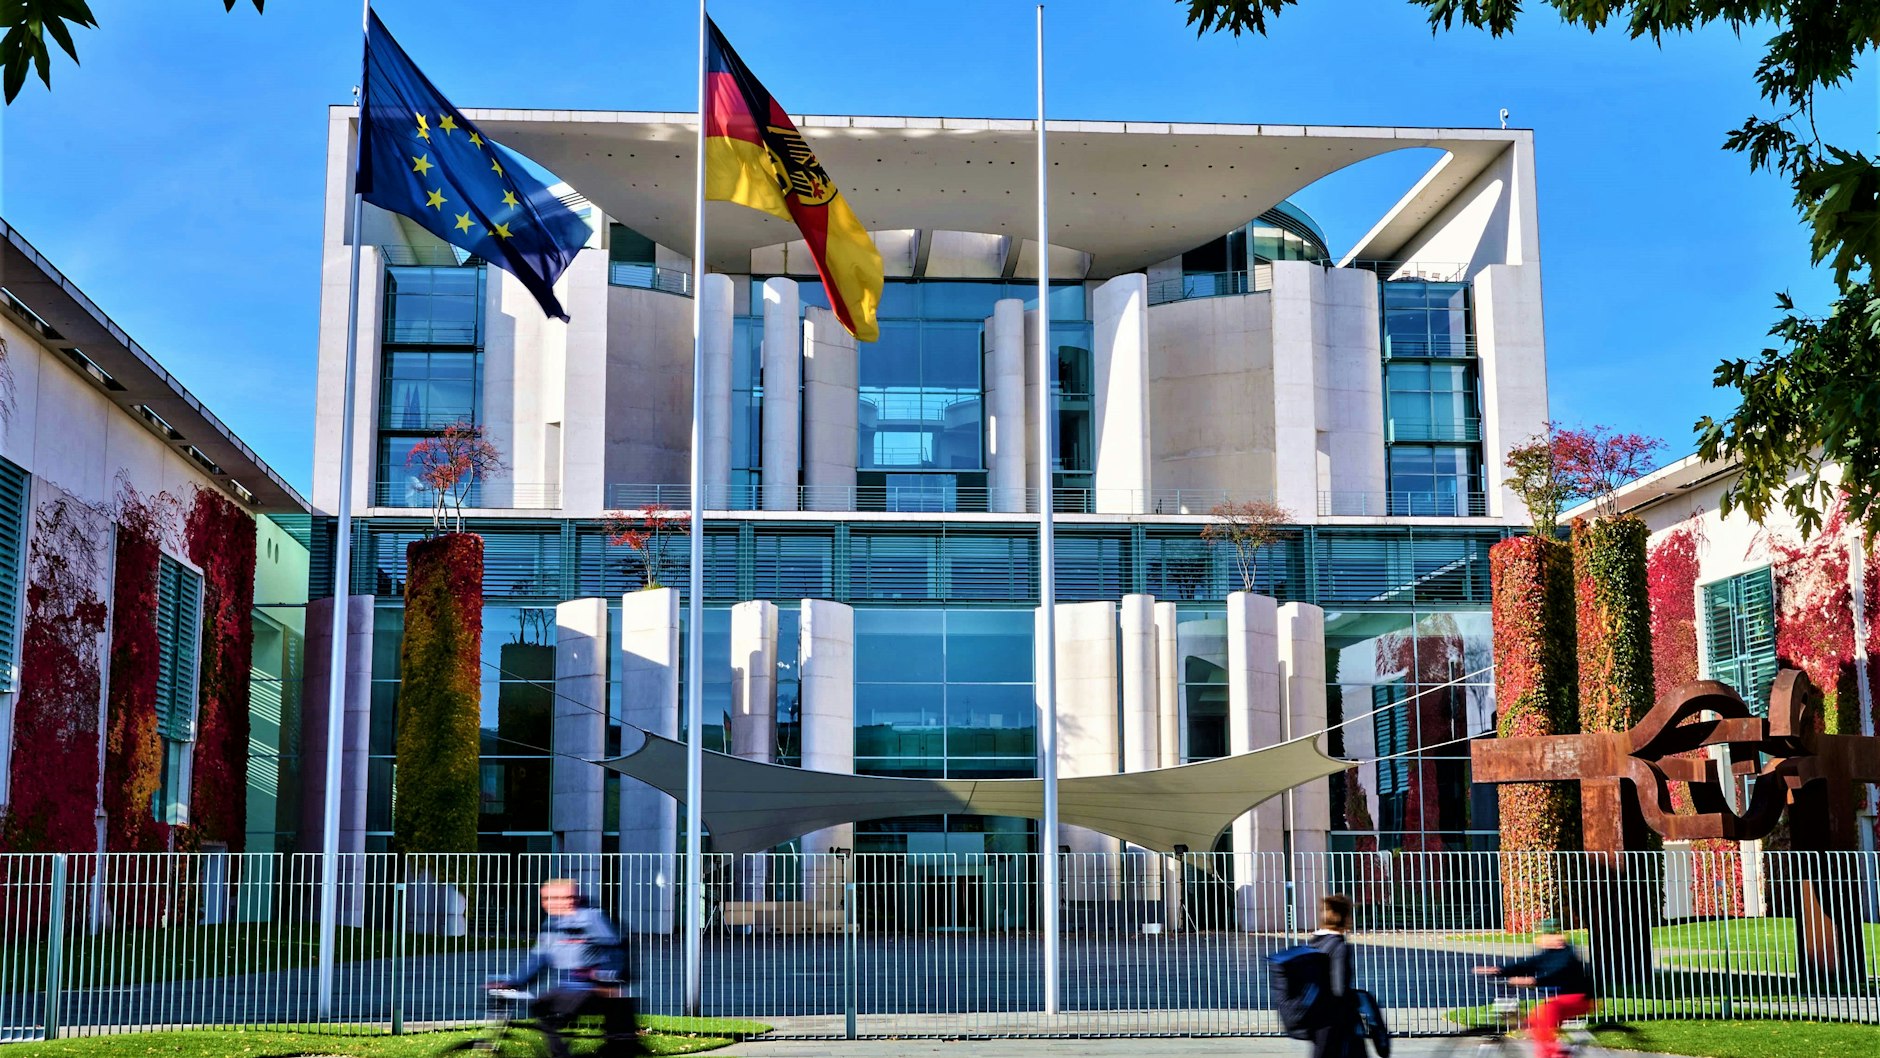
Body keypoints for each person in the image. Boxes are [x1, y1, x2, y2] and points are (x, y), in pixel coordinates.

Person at [491, 878, 631, 1058]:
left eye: (557, 898)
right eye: (546, 899)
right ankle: (560, 1054)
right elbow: (538, 959)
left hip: (592, 989)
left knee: (550, 1006)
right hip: (569, 989)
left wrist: (603, 975)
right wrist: (511, 981)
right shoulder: (551, 924)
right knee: (540, 1005)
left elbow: (615, 950)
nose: (549, 904)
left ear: (573, 898)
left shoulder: (591, 918)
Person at [1473, 917, 1595, 1058]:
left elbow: (1559, 973)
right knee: (1535, 1022)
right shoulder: (1549, 953)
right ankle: (1551, 1052)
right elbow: (1527, 965)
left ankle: (1556, 1054)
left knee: (1544, 1011)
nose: (1545, 939)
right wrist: (1499, 970)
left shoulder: (1566, 954)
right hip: (1563, 998)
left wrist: (1533, 981)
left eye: (1551, 935)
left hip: (1580, 998)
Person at [1306, 894, 1362, 1058]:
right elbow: (1339, 989)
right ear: (1343, 918)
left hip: (1316, 1016)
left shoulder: (1315, 942)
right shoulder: (1339, 946)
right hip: (1335, 1020)